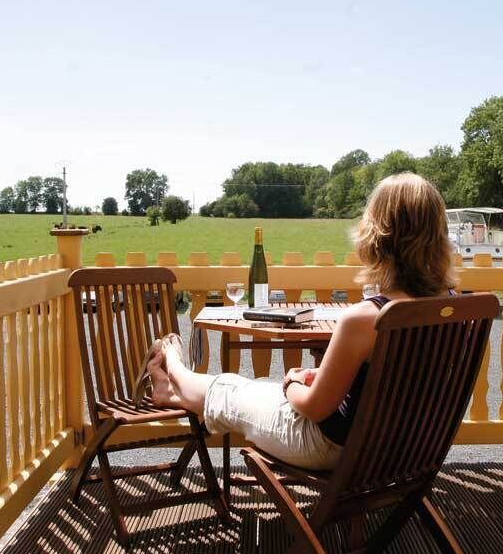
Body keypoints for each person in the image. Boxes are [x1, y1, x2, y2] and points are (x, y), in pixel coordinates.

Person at [145, 172, 458, 470]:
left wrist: (291, 383)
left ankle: (172, 365)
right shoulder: (455, 306)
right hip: (403, 452)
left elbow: (313, 408)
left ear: (377, 237)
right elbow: (401, 376)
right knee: (254, 388)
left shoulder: (366, 319)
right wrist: (320, 375)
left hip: (331, 448)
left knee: (230, 390)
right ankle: (170, 392)